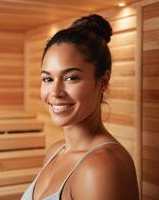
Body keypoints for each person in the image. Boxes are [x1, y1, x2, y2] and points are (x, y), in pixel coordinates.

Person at [20, 14, 139, 200]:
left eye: (71, 77)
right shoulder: (56, 151)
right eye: (48, 79)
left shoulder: (102, 166)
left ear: (103, 81)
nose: (55, 92)